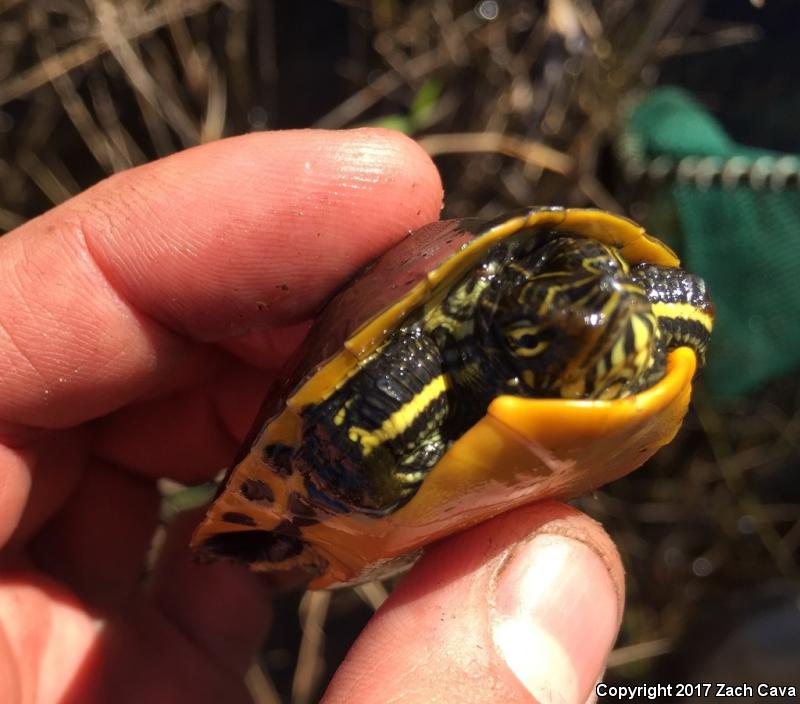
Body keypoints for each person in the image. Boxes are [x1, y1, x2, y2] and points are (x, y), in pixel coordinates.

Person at [0, 128, 624, 703]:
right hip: (345, 487)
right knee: (363, 431)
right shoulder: (443, 340)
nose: (602, 319)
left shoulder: (604, 307)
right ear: (508, 324)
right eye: (553, 332)